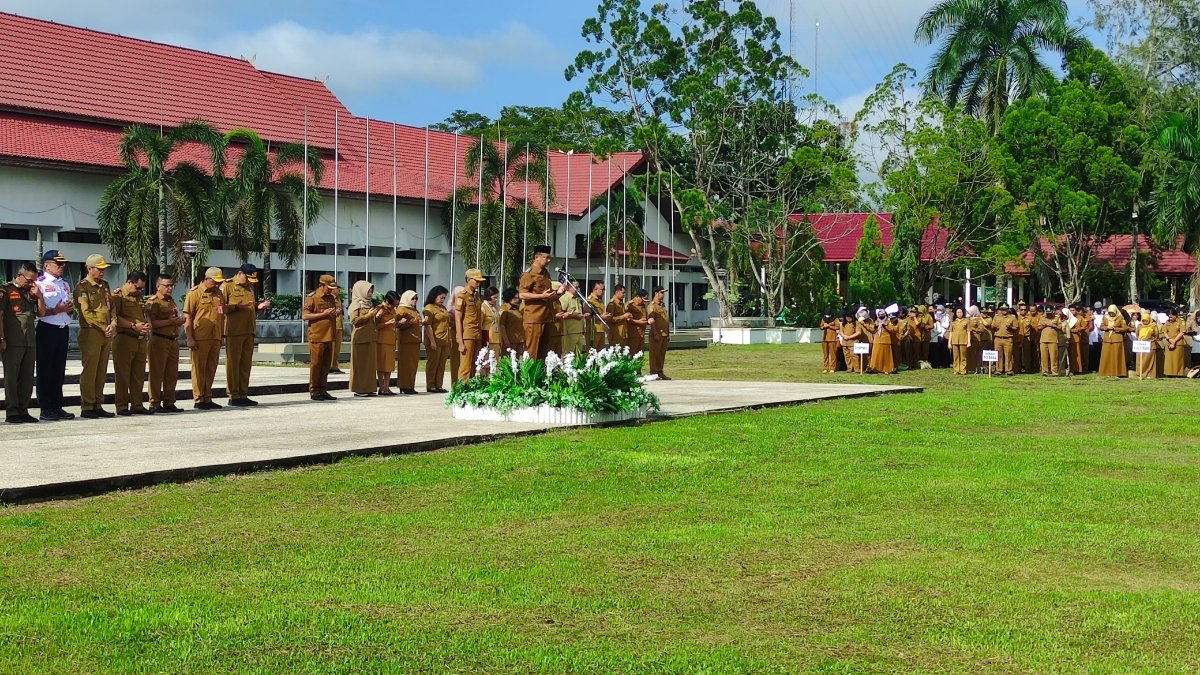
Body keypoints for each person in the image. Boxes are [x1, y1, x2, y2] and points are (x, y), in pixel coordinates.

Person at [2, 262, 45, 423]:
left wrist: (39, 296)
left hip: (29, 341)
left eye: (34, 280)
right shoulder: (6, 290)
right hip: (13, 341)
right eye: (29, 280)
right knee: (11, 378)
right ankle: (12, 411)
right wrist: (2, 338)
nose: (31, 283)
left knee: (27, 378)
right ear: (20, 276)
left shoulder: (30, 293)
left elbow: (41, 313)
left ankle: (23, 409)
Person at [222, 263, 270, 407]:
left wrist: (258, 307)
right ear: (240, 273)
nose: (250, 282)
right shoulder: (227, 286)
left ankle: (243, 394)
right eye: (248, 278)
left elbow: (250, 307)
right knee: (233, 365)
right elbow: (220, 308)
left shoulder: (249, 287)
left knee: (245, 365)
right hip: (234, 331)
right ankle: (234, 395)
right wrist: (237, 306)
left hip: (249, 331)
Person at [34, 250, 74, 421]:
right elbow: (38, 312)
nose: (61, 267)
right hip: (47, 329)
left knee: (58, 370)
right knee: (45, 370)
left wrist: (69, 309)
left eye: (63, 264)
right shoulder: (40, 284)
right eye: (58, 264)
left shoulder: (64, 284)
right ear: (46, 265)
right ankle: (45, 408)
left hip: (63, 328)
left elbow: (67, 307)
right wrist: (56, 310)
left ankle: (57, 406)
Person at [74, 254, 116, 418]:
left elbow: (111, 307)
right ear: (89, 269)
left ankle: (97, 403)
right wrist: (104, 327)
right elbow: (86, 313)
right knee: (90, 370)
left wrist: (113, 324)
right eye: (99, 269)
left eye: (103, 269)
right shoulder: (82, 287)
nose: (102, 272)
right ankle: (87, 405)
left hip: (106, 332)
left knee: (101, 370)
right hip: (91, 331)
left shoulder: (105, 285)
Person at [184, 267, 226, 410]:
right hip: (200, 338)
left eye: (219, 282)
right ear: (207, 279)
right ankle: (199, 398)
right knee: (199, 369)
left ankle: (208, 397)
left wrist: (222, 336)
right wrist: (189, 338)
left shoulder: (219, 293)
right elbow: (187, 317)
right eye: (215, 282)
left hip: (215, 337)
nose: (217, 285)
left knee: (211, 368)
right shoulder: (195, 293)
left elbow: (221, 316)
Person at [110, 271, 152, 416]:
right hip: (124, 338)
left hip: (140, 340)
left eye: (141, 289)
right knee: (123, 375)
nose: (139, 291)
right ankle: (121, 406)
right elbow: (115, 317)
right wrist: (133, 326)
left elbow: (143, 314)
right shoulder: (118, 296)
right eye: (137, 287)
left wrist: (146, 325)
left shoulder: (138, 297)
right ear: (129, 282)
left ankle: (137, 405)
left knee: (138, 375)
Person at [146, 274, 184, 413]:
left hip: (172, 340)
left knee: (171, 374)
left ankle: (169, 401)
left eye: (171, 285)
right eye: (166, 285)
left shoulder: (170, 301)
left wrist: (178, 321)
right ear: (158, 286)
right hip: (159, 339)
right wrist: (170, 322)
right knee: (157, 373)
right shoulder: (154, 301)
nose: (169, 288)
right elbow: (152, 323)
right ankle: (154, 402)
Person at [518, 245, 563, 360]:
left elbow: (548, 295)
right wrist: (541, 296)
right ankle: (529, 377)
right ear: (537, 257)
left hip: (547, 318)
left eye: (549, 258)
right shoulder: (529, 274)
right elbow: (522, 294)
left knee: (544, 353)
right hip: (534, 319)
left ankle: (541, 376)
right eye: (546, 258)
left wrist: (558, 293)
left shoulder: (546, 274)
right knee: (532, 352)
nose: (548, 260)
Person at [301, 274, 339, 401]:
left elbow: (332, 313)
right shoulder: (312, 298)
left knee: (326, 365)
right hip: (317, 337)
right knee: (316, 365)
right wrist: (323, 314)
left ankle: (323, 389)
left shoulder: (331, 298)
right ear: (321, 285)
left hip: (329, 336)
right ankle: (314, 390)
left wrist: (335, 313)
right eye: (328, 287)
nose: (330, 290)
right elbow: (305, 316)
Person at [347, 280, 379, 397]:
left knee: (370, 365)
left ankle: (369, 388)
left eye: (371, 291)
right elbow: (354, 320)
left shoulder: (369, 304)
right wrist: (368, 316)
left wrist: (375, 316)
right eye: (368, 291)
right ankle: (359, 389)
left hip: (370, 338)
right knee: (360, 365)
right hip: (360, 338)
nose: (370, 293)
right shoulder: (356, 304)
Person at [454, 269, 485, 380]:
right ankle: (462, 389)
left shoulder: (476, 296)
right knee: (465, 366)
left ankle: (471, 388)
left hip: (477, 334)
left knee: (474, 364)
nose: (478, 283)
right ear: (469, 280)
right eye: (476, 280)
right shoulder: (462, 296)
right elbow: (458, 319)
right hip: (467, 335)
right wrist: (460, 341)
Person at [423, 286, 452, 393]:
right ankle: (430, 385)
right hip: (434, 339)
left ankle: (439, 385)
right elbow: (427, 326)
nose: (442, 300)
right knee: (433, 364)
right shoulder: (429, 308)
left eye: (444, 298)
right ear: (434, 296)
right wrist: (432, 341)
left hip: (444, 340)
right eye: (441, 297)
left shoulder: (443, 308)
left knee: (441, 364)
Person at [395, 289, 423, 394]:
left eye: (416, 298)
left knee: (413, 365)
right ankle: (404, 386)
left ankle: (410, 385)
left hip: (415, 340)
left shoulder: (415, 310)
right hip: (406, 341)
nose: (415, 300)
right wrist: (408, 323)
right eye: (413, 298)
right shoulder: (401, 309)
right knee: (406, 365)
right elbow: (396, 323)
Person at [374, 291, 398, 395]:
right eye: (392, 304)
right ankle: (381, 387)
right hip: (381, 341)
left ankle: (387, 387)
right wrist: (387, 323)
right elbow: (375, 326)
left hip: (391, 340)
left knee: (389, 366)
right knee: (381, 365)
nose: (393, 306)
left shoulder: (393, 310)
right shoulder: (380, 309)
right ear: (387, 301)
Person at [1098, 304, 1129, 377]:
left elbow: (1125, 328)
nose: (1111, 314)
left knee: (1116, 356)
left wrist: (1116, 329)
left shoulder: (1120, 318)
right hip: (1107, 339)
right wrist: (1107, 327)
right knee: (1106, 356)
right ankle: (1106, 372)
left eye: (1112, 312)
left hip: (1117, 339)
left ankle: (1117, 372)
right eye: (1110, 312)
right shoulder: (1105, 318)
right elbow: (1101, 326)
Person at [647, 286, 671, 379]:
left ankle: (660, 372)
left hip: (664, 334)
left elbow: (666, 320)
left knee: (661, 354)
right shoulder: (652, 306)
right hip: (656, 334)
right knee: (654, 354)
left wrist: (668, 334)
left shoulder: (662, 305)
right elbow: (651, 320)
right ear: (656, 293)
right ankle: (653, 372)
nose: (663, 294)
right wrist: (655, 333)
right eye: (661, 292)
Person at [558, 280, 586, 355]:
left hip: (579, 331)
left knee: (578, 356)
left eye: (579, 287)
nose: (578, 289)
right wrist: (574, 315)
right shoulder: (565, 298)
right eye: (576, 287)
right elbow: (561, 314)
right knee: (568, 355)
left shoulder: (577, 299)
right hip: (569, 332)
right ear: (568, 288)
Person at [989, 304, 1017, 375]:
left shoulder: (1012, 317)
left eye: (1005, 309)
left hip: (1008, 338)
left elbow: (1016, 328)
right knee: (998, 355)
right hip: (998, 338)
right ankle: (999, 370)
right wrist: (994, 327)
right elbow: (992, 326)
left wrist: (1010, 327)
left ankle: (1008, 370)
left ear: (1008, 309)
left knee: (1008, 355)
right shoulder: (996, 317)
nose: (1003, 311)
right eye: (1002, 309)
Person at [1135, 310, 1162, 379]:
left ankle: (1150, 374)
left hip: (1150, 345)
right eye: (1143, 320)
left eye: (1146, 321)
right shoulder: (1140, 326)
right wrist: (1141, 339)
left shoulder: (1153, 326)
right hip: (1141, 345)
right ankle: (1140, 374)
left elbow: (1156, 335)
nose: (1144, 322)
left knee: (1150, 361)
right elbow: (1137, 334)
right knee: (1140, 360)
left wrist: (1151, 340)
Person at [1162, 307, 1188, 377]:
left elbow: (1182, 332)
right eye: (1169, 317)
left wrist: (1174, 341)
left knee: (1177, 360)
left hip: (1178, 343)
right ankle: (1169, 374)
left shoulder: (1181, 322)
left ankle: (1178, 374)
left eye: (1171, 317)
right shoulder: (1167, 322)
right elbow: (1164, 331)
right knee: (1169, 360)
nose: (1170, 318)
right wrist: (1169, 339)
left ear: (1175, 315)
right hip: (1169, 343)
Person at [498, 288, 525, 356]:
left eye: (517, 298)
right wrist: (506, 340)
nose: (517, 300)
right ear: (509, 297)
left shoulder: (516, 309)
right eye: (515, 298)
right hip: (510, 341)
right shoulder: (504, 309)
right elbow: (501, 325)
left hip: (519, 340)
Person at [1038, 306, 1063, 376]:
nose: (1048, 314)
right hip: (1043, 339)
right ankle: (1045, 371)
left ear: (1053, 311)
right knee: (1044, 357)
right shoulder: (1042, 318)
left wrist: (1053, 325)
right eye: (1047, 313)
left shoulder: (1057, 318)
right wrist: (1044, 325)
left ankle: (1054, 371)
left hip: (1053, 340)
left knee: (1054, 356)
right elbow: (1038, 327)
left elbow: (1060, 327)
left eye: (1050, 313)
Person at [481, 285, 502, 368]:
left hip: (496, 338)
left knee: (494, 363)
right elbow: (481, 324)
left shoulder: (495, 308)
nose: (496, 300)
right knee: (486, 363)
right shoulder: (483, 307)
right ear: (489, 296)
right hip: (487, 338)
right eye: (494, 297)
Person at [447, 285, 464, 385]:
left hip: (465, 336)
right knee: (456, 362)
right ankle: (455, 383)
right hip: (454, 337)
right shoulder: (450, 309)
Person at [586, 281, 610, 350]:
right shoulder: (590, 301)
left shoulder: (600, 301)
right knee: (592, 352)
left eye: (604, 290)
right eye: (601, 289)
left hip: (601, 330)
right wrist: (602, 317)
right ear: (595, 289)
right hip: (593, 331)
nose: (603, 292)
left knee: (600, 353)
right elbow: (588, 317)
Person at [625, 288, 650, 354]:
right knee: (632, 355)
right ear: (637, 297)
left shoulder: (643, 306)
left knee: (640, 355)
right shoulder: (630, 305)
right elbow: (626, 319)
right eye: (643, 299)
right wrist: (638, 322)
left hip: (641, 334)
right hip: (633, 334)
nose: (644, 301)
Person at [949, 307, 972, 375]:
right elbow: (951, 332)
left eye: (960, 312)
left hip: (963, 340)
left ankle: (963, 369)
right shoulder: (953, 322)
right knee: (955, 356)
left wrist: (969, 341)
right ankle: (956, 369)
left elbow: (968, 332)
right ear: (955, 313)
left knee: (963, 356)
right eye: (958, 312)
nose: (959, 314)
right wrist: (949, 342)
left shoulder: (966, 321)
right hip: (954, 340)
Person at [839, 309, 863, 373]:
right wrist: (844, 336)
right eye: (847, 317)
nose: (848, 319)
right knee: (847, 356)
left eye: (850, 317)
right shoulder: (843, 323)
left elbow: (858, 332)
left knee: (854, 356)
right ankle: (849, 368)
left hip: (853, 342)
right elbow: (840, 331)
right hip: (845, 342)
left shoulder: (857, 323)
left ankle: (856, 369)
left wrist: (849, 337)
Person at [329, 288, 346, 375]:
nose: (339, 290)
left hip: (339, 326)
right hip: (333, 326)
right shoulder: (329, 299)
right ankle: (329, 367)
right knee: (331, 348)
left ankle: (335, 366)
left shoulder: (339, 299)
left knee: (337, 348)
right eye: (337, 288)